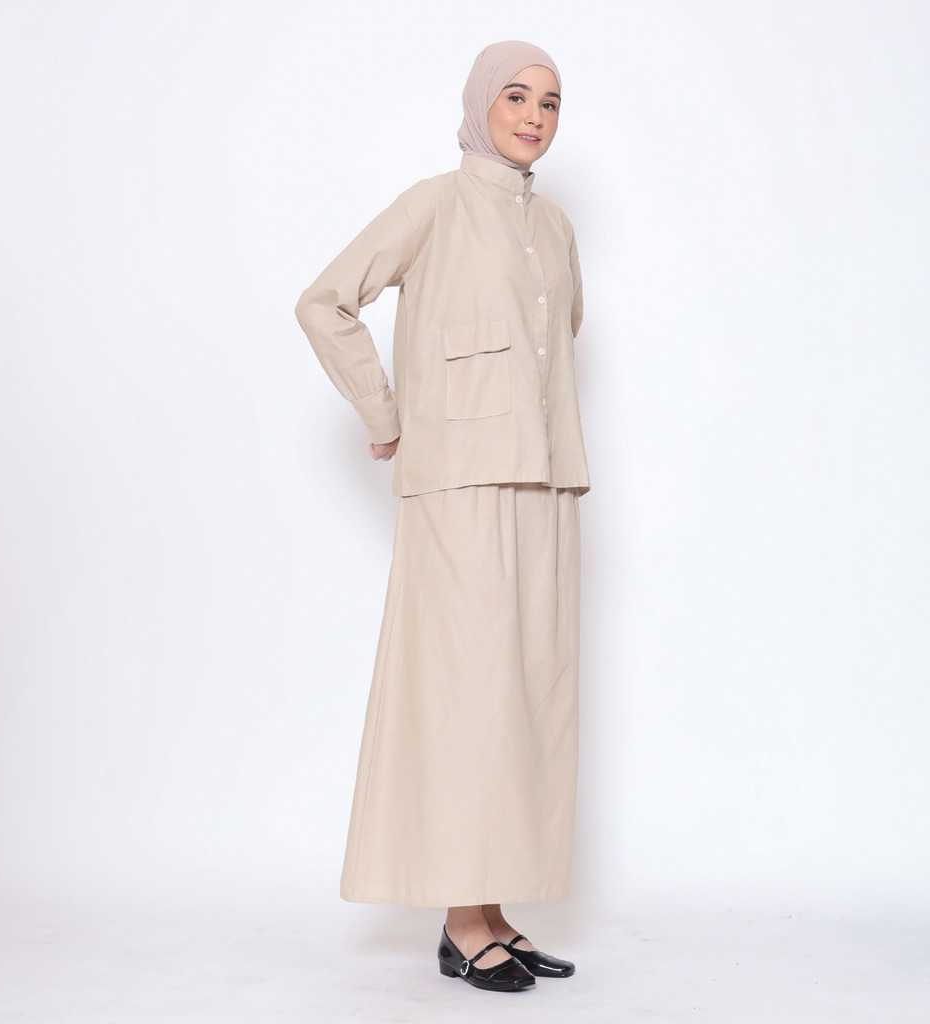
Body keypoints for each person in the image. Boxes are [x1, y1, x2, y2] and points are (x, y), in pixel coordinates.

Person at [294, 40, 590, 994]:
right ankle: (462, 923)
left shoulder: (555, 229)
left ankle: (491, 908)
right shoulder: (433, 204)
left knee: (526, 696)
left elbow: (555, 344)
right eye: (516, 96)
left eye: (550, 102)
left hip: (545, 484)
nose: (534, 116)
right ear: (480, 104)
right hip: (459, 486)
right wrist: (385, 415)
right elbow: (325, 301)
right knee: (467, 697)